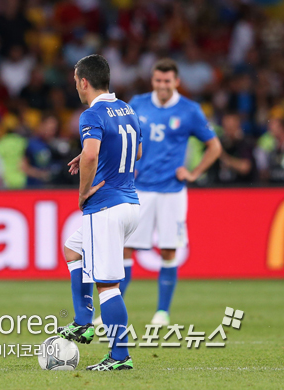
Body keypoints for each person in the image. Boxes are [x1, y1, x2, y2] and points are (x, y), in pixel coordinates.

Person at [97, 58, 221, 327]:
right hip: (138, 189)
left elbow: (214, 147)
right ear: (152, 81)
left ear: (176, 82)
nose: (162, 85)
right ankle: (112, 310)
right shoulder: (137, 104)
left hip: (172, 192)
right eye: (158, 80)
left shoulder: (190, 110)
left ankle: (162, 313)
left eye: (167, 81)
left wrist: (193, 173)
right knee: (126, 249)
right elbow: (122, 136)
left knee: (167, 250)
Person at [57, 54, 142, 371]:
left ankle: (120, 357)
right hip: (130, 202)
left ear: (83, 81)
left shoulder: (91, 113)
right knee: (72, 248)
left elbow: (93, 153)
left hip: (105, 206)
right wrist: (90, 154)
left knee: (107, 285)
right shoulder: (128, 110)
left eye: (75, 81)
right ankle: (82, 320)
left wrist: (82, 192)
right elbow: (137, 151)